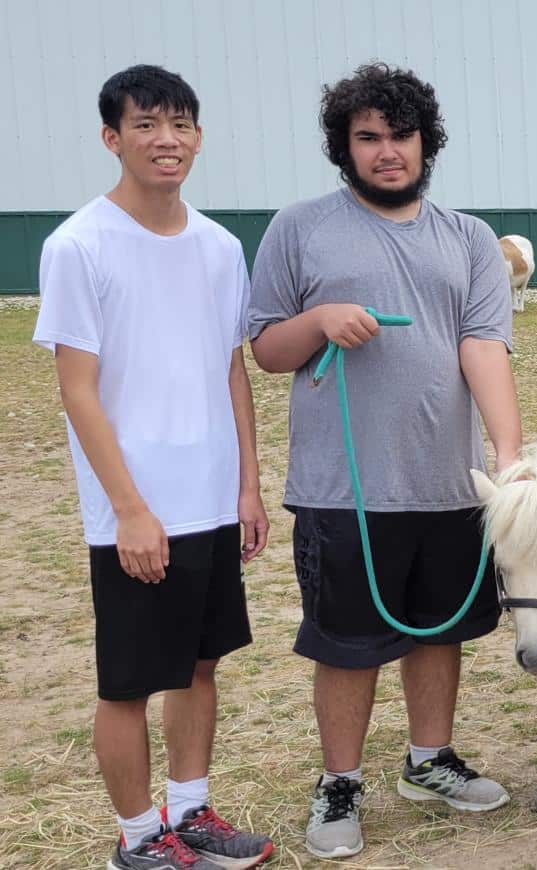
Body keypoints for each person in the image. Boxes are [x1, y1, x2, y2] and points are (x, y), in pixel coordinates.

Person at [246, 63, 521, 859]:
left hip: (448, 482)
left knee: (440, 630)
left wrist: (506, 453)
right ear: (344, 147)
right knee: (348, 642)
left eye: (400, 136)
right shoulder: (299, 227)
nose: (387, 152)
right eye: (368, 138)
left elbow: (483, 346)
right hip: (344, 487)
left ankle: (428, 761)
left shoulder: (469, 238)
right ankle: (340, 783)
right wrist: (319, 318)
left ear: (425, 143)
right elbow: (266, 347)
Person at [35, 63, 276, 870]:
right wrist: (131, 508)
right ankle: (138, 841)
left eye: (179, 125)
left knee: (199, 667)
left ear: (198, 137)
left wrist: (246, 484)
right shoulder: (77, 245)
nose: (164, 140)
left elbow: (231, 369)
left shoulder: (218, 246)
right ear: (113, 138)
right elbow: (79, 393)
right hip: (135, 510)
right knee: (130, 682)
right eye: (144, 125)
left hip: (210, 500)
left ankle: (190, 813)